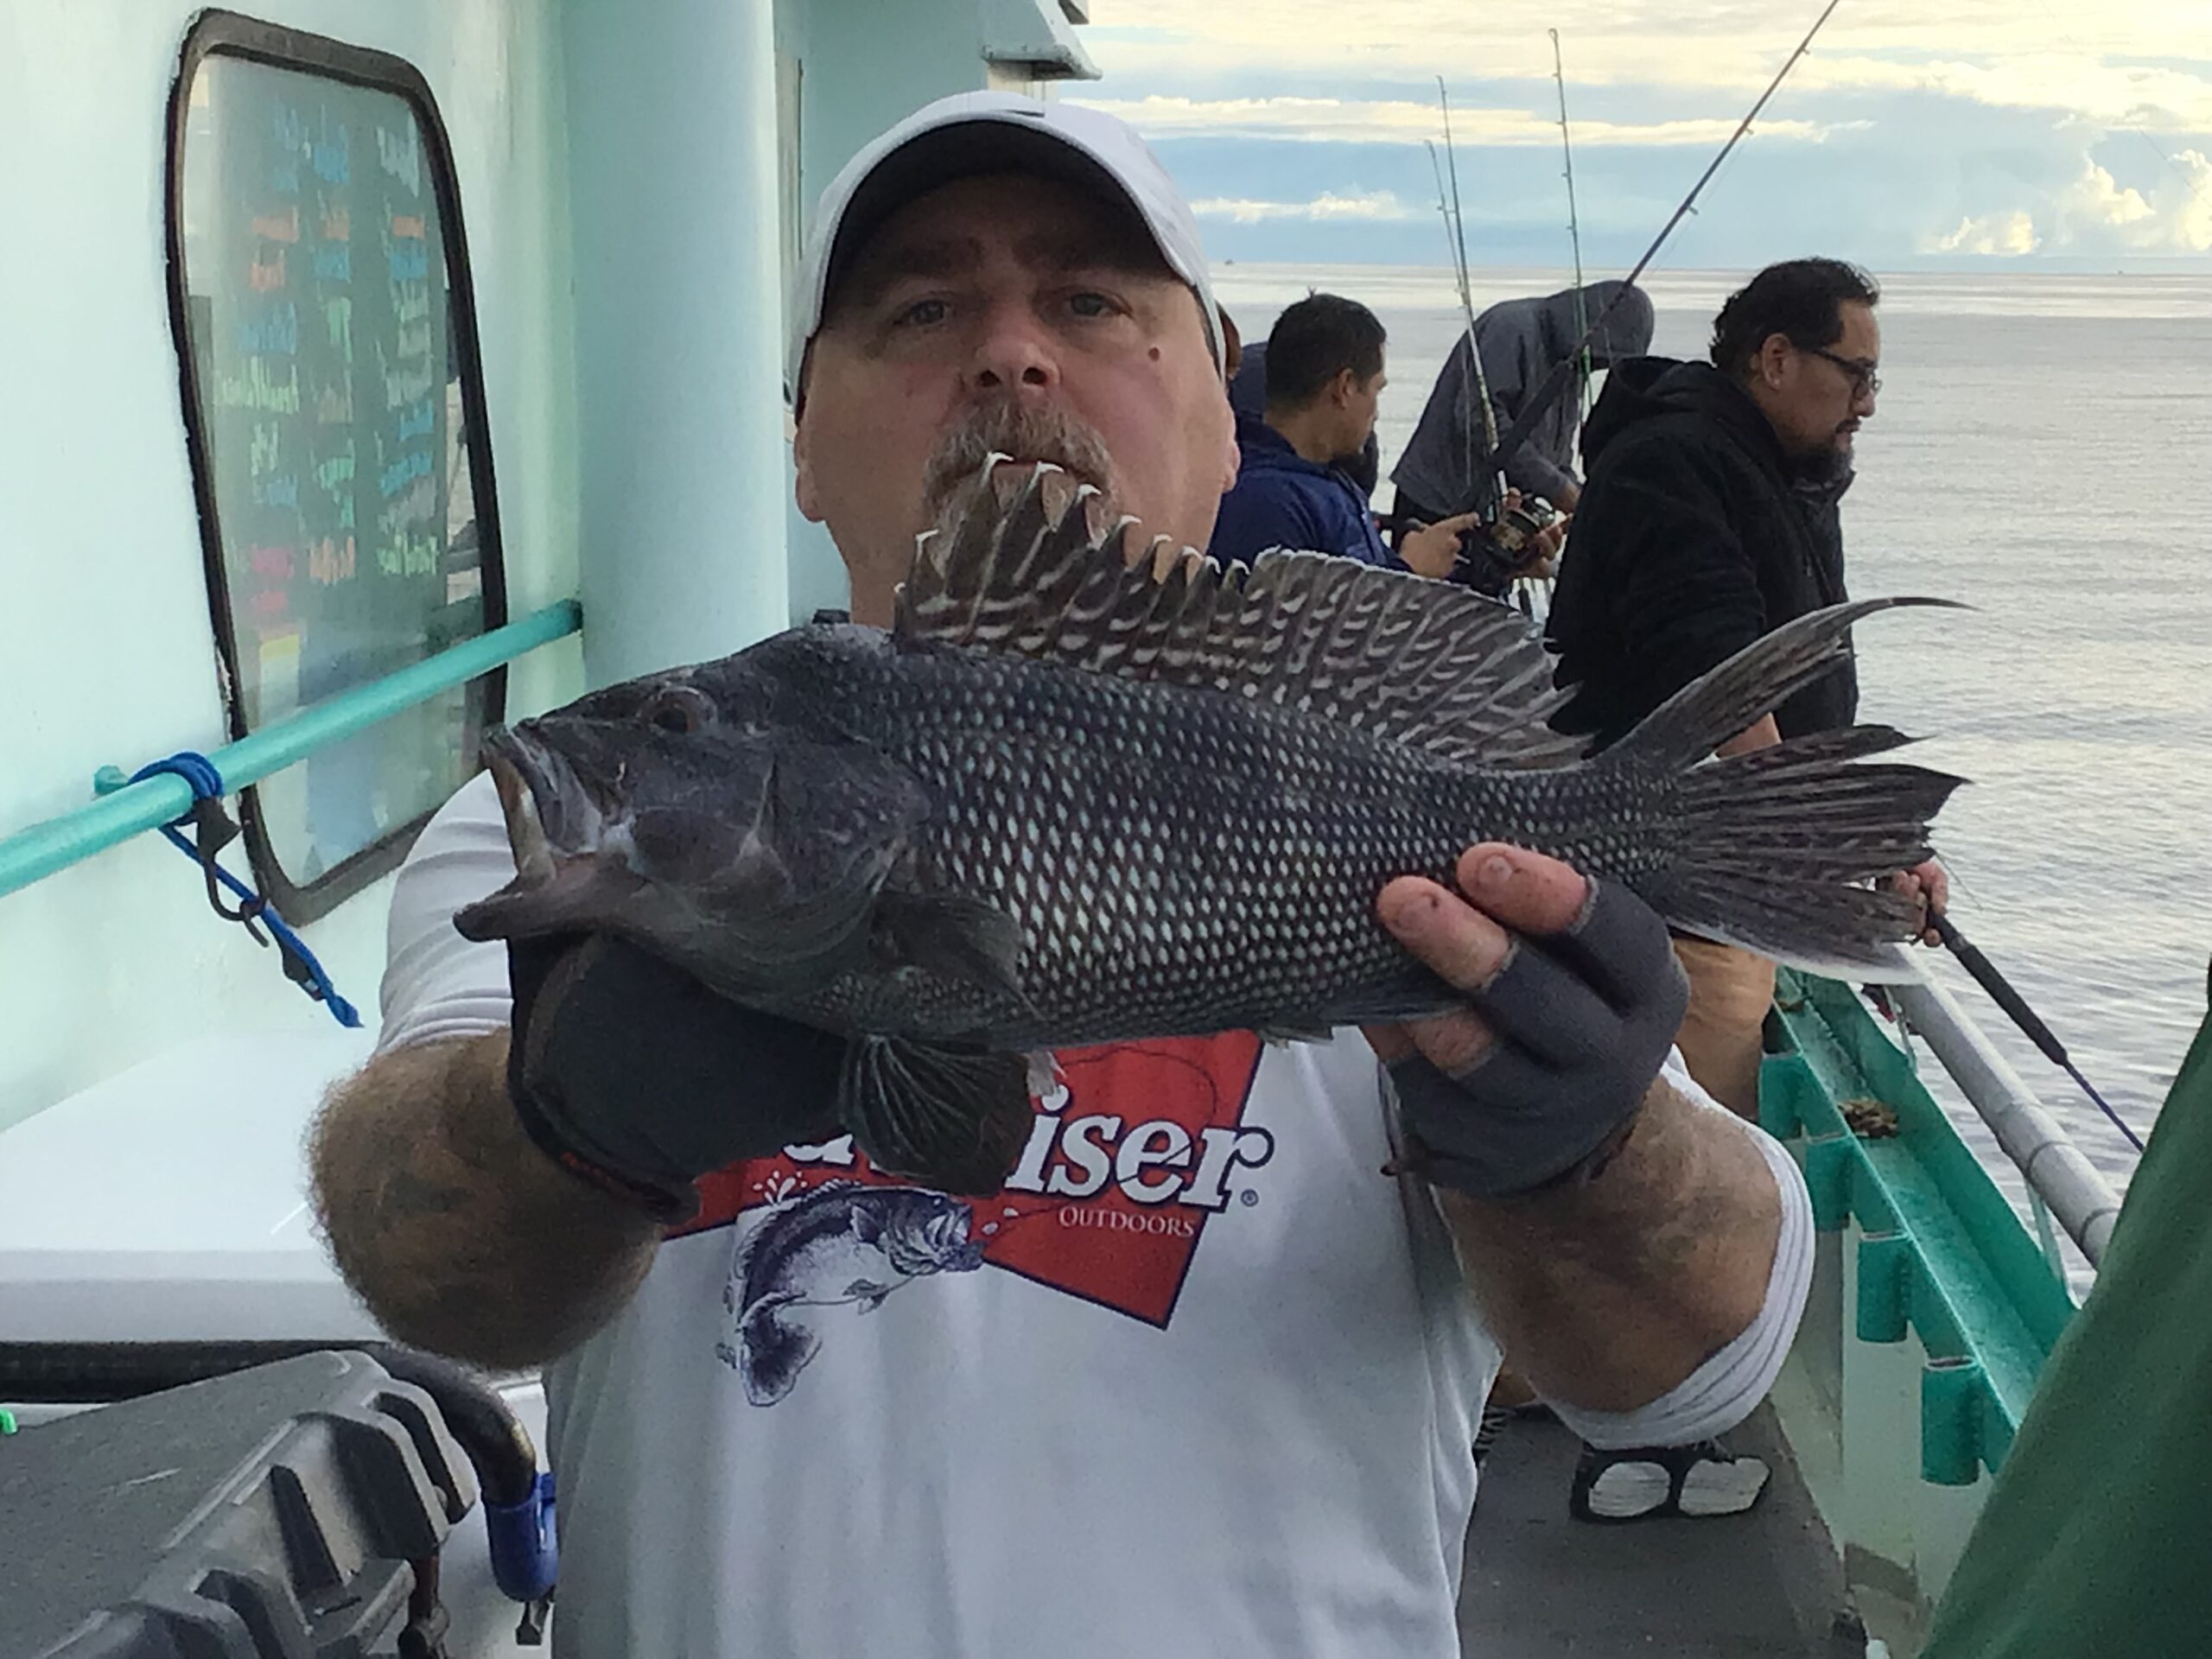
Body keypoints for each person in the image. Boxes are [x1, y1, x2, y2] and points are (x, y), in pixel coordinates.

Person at [307, 91, 1814, 1658]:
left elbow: (1691, 1370)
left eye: (1090, 300)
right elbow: (430, 1277)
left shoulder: (1409, 819)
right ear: (804, 440)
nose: (1010, 354)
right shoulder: (580, 845)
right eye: (922, 306)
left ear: (1226, 413)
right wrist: (559, 1124)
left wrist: (1587, 1148)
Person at [1546, 257, 1944, 1123]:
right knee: (1687, 1179)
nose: (1868, 402)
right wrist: (1833, 858)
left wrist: (1878, 841)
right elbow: (1719, 682)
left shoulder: (1774, 466)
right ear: (1774, 358)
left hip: (1718, 891)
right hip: (1671, 908)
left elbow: (1797, 694)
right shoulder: (1675, 459)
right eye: (1857, 375)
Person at [1210, 293, 1477, 576]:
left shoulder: (1324, 483)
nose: (1376, 413)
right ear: (1345, 386)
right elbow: (1291, 618)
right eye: (1376, 390)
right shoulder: (1269, 502)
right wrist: (1411, 570)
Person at [1389, 279, 1656, 529]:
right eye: (1599, 359)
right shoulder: (1511, 327)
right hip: (1436, 505)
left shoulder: (1574, 365)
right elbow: (1479, 418)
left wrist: (1585, 502)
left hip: (1494, 520)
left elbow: (1555, 458)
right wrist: (1558, 489)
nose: (1596, 367)